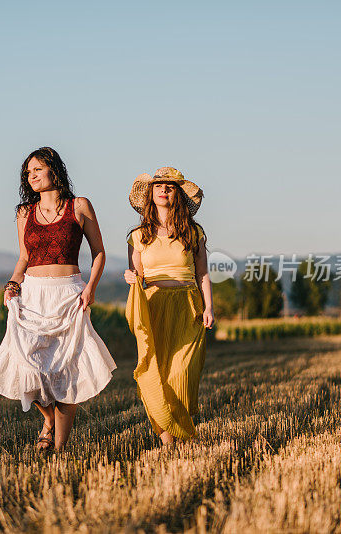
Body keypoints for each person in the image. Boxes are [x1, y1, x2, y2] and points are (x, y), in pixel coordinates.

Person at [0, 147, 116, 452]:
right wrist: (12, 284)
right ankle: (48, 418)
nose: (31, 176)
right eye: (27, 172)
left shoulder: (79, 206)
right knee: (28, 365)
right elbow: (24, 258)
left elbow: (99, 252)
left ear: (54, 170)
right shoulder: (24, 213)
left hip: (69, 293)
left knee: (66, 370)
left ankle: (59, 447)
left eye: (37, 170)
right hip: (33, 294)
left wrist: (91, 288)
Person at [123, 167, 214, 445]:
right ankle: (168, 439)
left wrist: (209, 307)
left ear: (178, 195)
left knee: (182, 372)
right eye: (158, 186)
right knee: (156, 373)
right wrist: (131, 277)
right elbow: (137, 276)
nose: (164, 189)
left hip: (188, 305)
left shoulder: (193, 232)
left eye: (170, 186)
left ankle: (181, 429)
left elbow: (202, 274)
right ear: (151, 194)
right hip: (153, 307)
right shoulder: (138, 236)